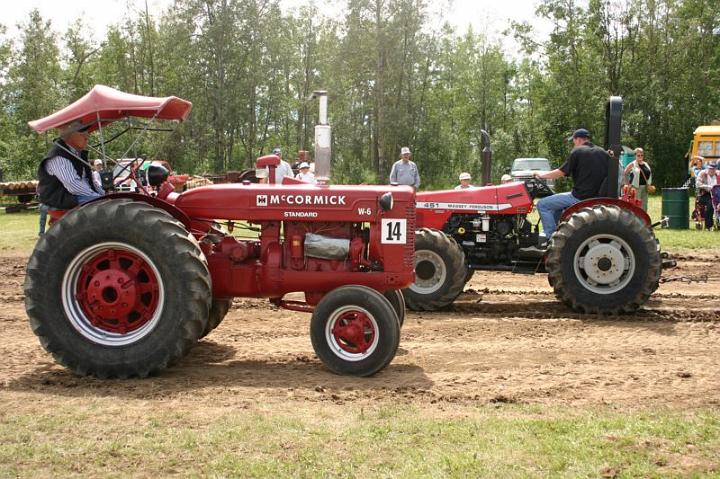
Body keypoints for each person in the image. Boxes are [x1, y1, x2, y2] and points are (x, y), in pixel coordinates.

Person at [533, 128, 610, 242]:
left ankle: (550, 237)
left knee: (542, 204)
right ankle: (558, 232)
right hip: (595, 196)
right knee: (555, 204)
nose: (573, 143)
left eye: (573, 140)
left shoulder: (578, 151)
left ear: (578, 139)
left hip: (579, 197)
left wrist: (540, 175)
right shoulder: (603, 152)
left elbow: (560, 172)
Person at [37, 120, 104, 210]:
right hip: (63, 200)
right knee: (104, 206)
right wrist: (99, 198)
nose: (87, 136)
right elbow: (74, 185)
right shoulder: (58, 156)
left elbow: (91, 180)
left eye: (87, 131)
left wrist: (103, 194)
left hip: (78, 197)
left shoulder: (77, 154)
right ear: (69, 134)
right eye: (82, 132)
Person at [696, 161, 718, 230]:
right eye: (710, 168)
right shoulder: (702, 173)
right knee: (711, 204)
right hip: (704, 194)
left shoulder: (718, 174)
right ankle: (709, 226)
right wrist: (709, 187)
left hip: (717, 194)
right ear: (707, 168)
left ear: (715, 169)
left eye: (713, 169)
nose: (711, 170)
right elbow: (698, 184)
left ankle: (718, 223)